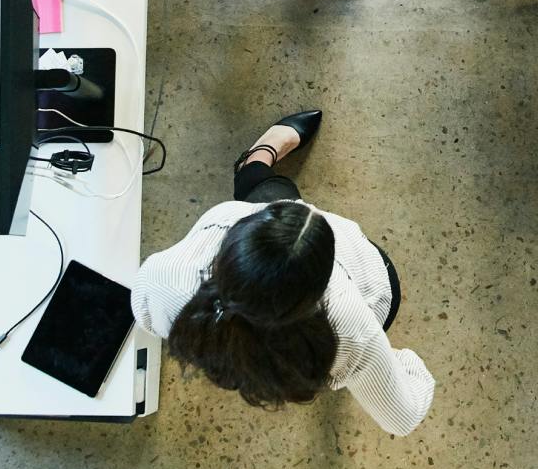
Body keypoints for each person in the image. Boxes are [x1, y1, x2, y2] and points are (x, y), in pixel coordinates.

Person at [132, 109, 433, 436]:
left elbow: (145, 314)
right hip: (360, 304)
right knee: (275, 191)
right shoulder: (352, 323)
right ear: (323, 285)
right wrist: (399, 362)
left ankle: (258, 159)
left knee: (260, 186)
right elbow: (403, 417)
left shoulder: (170, 274)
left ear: (230, 247)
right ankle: (258, 162)